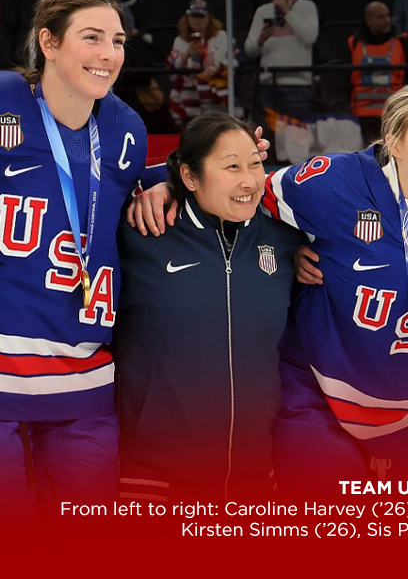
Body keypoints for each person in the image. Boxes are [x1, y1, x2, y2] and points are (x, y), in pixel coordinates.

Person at [0, 0, 148, 536]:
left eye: (117, 41)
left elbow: (125, 194)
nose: (108, 53)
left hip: (82, 373)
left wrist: (161, 185)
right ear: (49, 41)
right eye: (91, 37)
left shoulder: (125, 129)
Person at [261, 81, 408, 494]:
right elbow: (242, 194)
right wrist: (289, 249)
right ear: (394, 142)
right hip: (317, 399)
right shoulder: (330, 183)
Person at [115, 113, 299, 501]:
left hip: (254, 480)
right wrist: (151, 184)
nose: (249, 180)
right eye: (232, 166)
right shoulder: (142, 233)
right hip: (154, 478)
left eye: (255, 163)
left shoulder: (286, 243)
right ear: (189, 177)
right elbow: (101, 181)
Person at [246, 0, 318, 165]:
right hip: (269, 82)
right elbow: (249, 49)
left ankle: (299, 171)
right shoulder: (263, 11)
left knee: (296, 131)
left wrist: (287, 11)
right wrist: (261, 38)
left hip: (298, 81)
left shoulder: (306, 7)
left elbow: (310, 36)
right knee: (273, 134)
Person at [349, 1, 408, 139]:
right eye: (380, 17)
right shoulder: (353, 43)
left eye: (387, 16)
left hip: (394, 114)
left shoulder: (402, 42)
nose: (387, 21)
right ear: (368, 20)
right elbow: (343, 77)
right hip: (361, 116)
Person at [167, 0, 230, 118]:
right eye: (193, 16)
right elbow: (172, 71)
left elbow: (236, 59)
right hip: (190, 97)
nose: (197, 20)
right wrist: (186, 55)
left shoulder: (222, 37)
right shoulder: (180, 41)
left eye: (201, 16)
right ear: (188, 18)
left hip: (215, 95)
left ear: (208, 18)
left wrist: (219, 67)